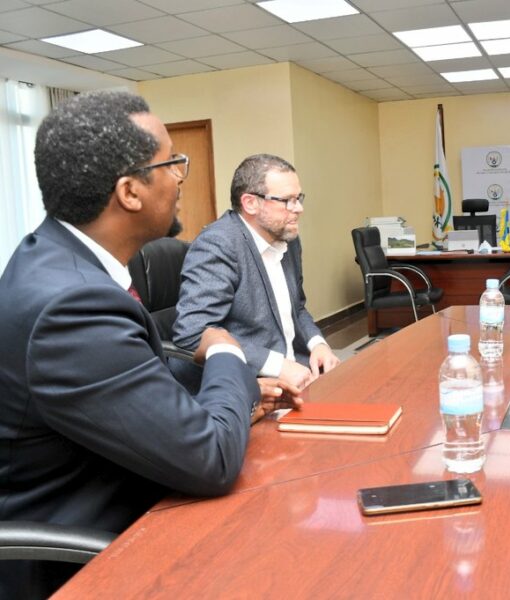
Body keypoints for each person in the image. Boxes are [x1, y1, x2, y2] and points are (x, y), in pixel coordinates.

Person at [0, 91, 300, 599]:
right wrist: (226, 352)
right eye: (171, 163)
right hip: (86, 555)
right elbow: (211, 461)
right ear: (130, 192)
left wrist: (235, 391)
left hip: (131, 475)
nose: (181, 177)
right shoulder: (70, 307)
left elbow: (139, 371)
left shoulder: (59, 261)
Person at [174, 154, 340, 389]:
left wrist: (318, 344)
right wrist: (278, 366)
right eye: (287, 200)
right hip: (250, 385)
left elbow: (297, 307)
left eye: (299, 198)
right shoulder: (218, 244)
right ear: (250, 203)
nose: (299, 209)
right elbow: (193, 333)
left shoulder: (287, 239)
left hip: (302, 373)